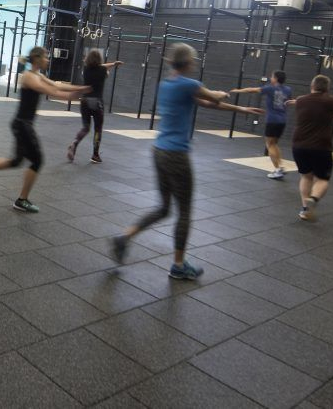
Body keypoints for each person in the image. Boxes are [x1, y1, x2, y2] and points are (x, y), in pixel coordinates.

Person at [110, 44, 263, 280]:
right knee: (184, 212)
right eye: (193, 60)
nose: (195, 63)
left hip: (159, 151)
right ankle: (179, 265)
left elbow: (206, 102)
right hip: (176, 156)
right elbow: (213, 97)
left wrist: (240, 108)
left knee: (164, 208)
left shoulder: (167, 84)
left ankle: (124, 237)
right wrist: (223, 93)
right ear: (188, 62)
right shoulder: (190, 84)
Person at [0, 46, 89, 214]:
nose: (48, 60)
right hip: (23, 124)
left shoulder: (38, 75)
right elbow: (49, 90)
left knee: (16, 161)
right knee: (37, 160)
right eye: (46, 57)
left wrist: (81, 89)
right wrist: (74, 95)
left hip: (22, 124)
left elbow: (56, 85)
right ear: (37, 58)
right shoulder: (28, 76)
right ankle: (22, 200)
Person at [286, 74, 333, 222]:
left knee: (306, 176)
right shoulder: (332, 101)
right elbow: (324, 113)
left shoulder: (301, 100)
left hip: (299, 145)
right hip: (321, 147)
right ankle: (313, 199)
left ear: (312, 85)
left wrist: (297, 101)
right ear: (327, 88)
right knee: (322, 179)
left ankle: (305, 209)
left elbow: (315, 111)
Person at [230, 71, 293, 179]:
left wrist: (238, 90)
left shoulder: (270, 88)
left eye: (272, 77)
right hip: (282, 121)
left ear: (276, 78)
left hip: (272, 120)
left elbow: (252, 90)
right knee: (274, 144)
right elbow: (288, 102)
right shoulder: (288, 89)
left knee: (270, 145)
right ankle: (280, 166)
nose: (270, 78)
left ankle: (278, 169)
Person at [67, 49, 122, 164]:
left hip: (85, 101)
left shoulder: (85, 69)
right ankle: (95, 155)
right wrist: (113, 65)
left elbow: (102, 66)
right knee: (98, 130)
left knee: (85, 128)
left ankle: (75, 143)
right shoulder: (103, 70)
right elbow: (104, 69)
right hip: (97, 102)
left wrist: (113, 64)